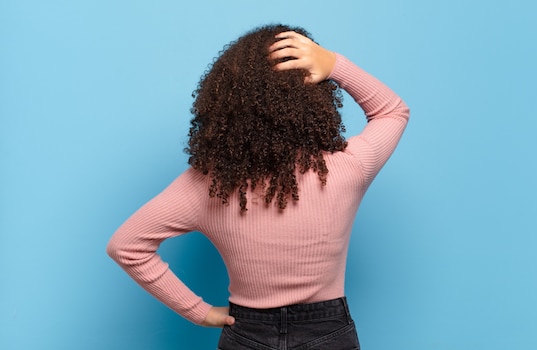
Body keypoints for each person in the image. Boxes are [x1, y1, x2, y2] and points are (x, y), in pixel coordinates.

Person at [107, 24, 409, 349]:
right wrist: (335, 64)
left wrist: (200, 313)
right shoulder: (347, 167)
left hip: (246, 333)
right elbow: (392, 111)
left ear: (225, 102)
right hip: (327, 332)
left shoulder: (207, 184)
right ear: (313, 97)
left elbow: (125, 246)